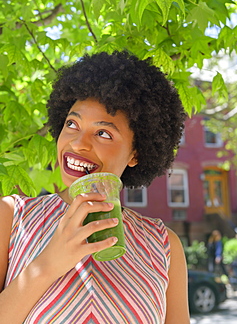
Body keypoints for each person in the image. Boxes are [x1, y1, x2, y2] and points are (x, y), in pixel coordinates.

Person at [0, 51, 190, 323]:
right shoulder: (11, 217)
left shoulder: (164, 245)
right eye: (72, 124)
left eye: (103, 133)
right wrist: (49, 263)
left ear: (136, 153)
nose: (77, 143)